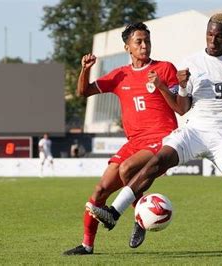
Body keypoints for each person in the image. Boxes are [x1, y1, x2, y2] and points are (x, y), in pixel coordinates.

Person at [86, 13, 222, 262]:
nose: (213, 40)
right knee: (155, 163)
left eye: (219, 36)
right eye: (209, 34)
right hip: (194, 130)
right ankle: (114, 213)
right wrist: (182, 86)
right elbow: (182, 108)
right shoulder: (191, 61)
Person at [63, 22, 186, 255]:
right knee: (99, 191)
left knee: (127, 168)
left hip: (162, 138)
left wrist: (165, 86)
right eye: (138, 41)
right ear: (127, 47)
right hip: (134, 142)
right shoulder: (120, 74)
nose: (144, 45)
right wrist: (85, 69)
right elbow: (83, 92)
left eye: (147, 41)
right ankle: (87, 245)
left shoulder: (165, 68)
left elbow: (180, 106)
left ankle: (136, 218)